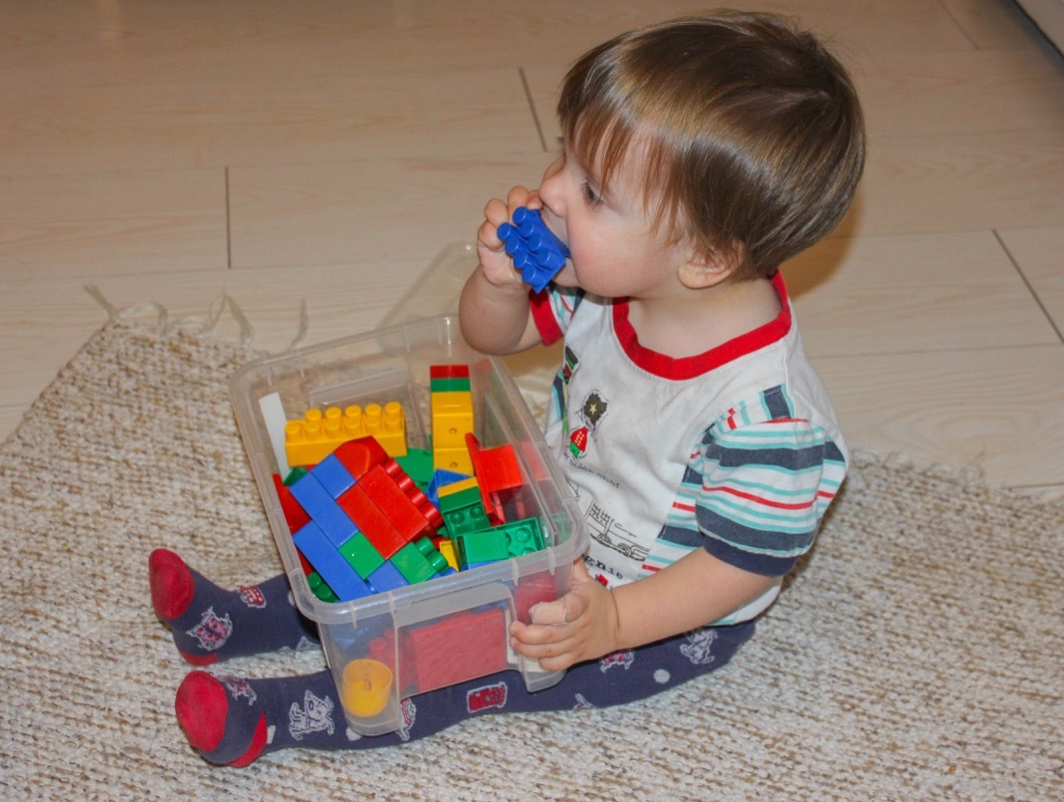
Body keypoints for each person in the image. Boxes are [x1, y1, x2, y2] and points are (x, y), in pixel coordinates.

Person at [150, 10, 865, 766]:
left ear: (708, 257)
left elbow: (741, 566)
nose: (552, 189)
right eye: (565, 156)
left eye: (594, 193)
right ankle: (232, 621)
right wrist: (496, 282)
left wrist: (611, 623)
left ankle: (275, 718)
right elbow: (493, 339)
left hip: (648, 607)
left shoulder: (765, 421)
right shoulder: (610, 284)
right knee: (392, 549)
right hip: (544, 513)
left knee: (463, 661)